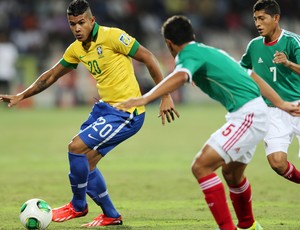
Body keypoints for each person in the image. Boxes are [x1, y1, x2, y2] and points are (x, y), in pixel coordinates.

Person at [0, 0, 178, 227]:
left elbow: (149, 58)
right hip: (105, 109)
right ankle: (111, 215)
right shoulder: (76, 49)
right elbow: (52, 75)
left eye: (81, 23)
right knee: (86, 163)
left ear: (92, 20)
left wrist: (165, 95)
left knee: (75, 147)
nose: (76, 28)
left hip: (127, 112)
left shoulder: (113, 36)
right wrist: (22, 95)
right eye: (72, 24)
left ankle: (78, 206)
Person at [115, 15, 300, 230]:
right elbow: (251, 75)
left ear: (169, 44)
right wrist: (281, 103)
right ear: (192, 35)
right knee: (231, 174)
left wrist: (145, 98)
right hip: (254, 113)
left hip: (248, 115)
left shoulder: (188, 54)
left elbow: (181, 75)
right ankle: (248, 226)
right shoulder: (210, 51)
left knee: (201, 166)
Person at [240, 0, 300, 184]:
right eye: (255, 19)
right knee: (277, 163)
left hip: (298, 106)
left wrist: (288, 63)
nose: (257, 23)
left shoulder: (291, 41)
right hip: (271, 110)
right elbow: (242, 70)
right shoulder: (254, 46)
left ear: (275, 18)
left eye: (262, 18)